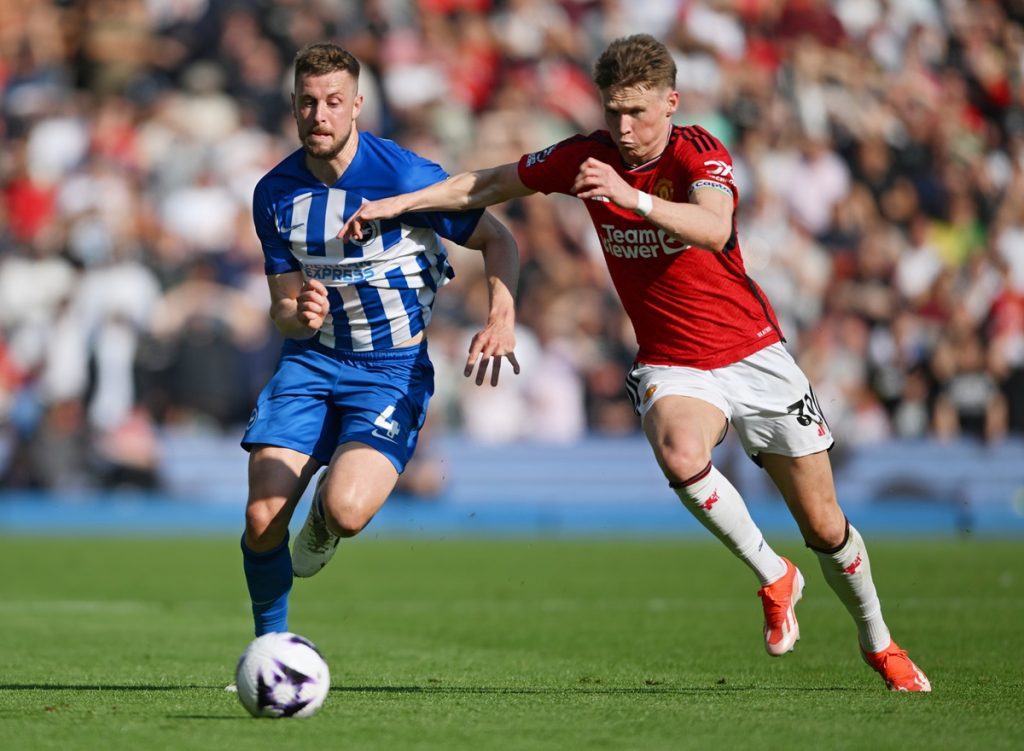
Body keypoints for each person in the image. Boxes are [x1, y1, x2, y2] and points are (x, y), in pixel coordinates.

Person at [343, 34, 930, 692]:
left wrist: (633, 196)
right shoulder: (586, 157)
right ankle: (773, 574)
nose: (624, 128)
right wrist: (398, 204)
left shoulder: (698, 151)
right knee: (681, 452)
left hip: (756, 354)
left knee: (824, 524)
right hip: (674, 360)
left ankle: (879, 639)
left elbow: (714, 227)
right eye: (614, 111)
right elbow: (490, 183)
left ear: (671, 102)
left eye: (638, 113)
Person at [240, 43, 520, 639]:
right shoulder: (274, 194)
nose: (320, 115)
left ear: (358, 105)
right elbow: (283, 311)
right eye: (309, 102)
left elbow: (499, 240)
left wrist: (501, 313)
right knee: (263, 517)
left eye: (334, 102)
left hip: (391, 371)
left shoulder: (404, 176)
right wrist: (299, 313)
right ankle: (272, 647)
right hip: (310, 364)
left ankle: (323, 519)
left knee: (345, 511)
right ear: (292, 105)